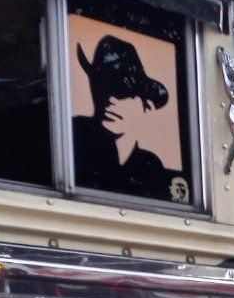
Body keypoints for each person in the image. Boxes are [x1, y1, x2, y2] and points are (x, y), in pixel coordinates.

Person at [72, 34, 173, 200]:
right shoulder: (75, 137)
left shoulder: (149, 167)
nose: (109, 99)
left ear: (146, 105)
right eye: (102, 89)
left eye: (121, 91)